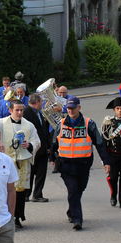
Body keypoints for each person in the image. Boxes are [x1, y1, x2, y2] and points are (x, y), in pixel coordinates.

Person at [49, 97, 107, 231]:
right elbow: (54, 143)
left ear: (79, 108)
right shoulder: (61, 124)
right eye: (68, 108)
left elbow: (99, 143)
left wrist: (106, 161)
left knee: (79, 189)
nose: (70, 110)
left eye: (73, 108)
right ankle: (77, 219)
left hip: (83, 165)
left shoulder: (88, 123)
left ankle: (71, 211)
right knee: (73, 190)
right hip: (66, 165)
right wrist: (51, 157)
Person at [0, 99, 40, 228]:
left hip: (22, 162)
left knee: (19, 191)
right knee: (5, 191)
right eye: (17, 110)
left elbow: (37, 141)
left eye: (22, 110)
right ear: (10, 110)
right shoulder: (0, 123)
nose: (20, 112)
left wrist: (29, 145)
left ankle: (17, 217)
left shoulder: (29, 125)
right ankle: (4, 217)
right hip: (5, 161)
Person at [23, 93, 51, 203]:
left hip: (42, 147)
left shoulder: (39, 112)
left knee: (41, 173)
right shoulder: (26, 112)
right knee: (30, 173)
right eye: (41, 102)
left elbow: (44, 130)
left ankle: (37, 194)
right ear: (37, 102)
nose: (42, 104)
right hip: (32, 148)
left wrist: (48, 145)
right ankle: (26, 195)